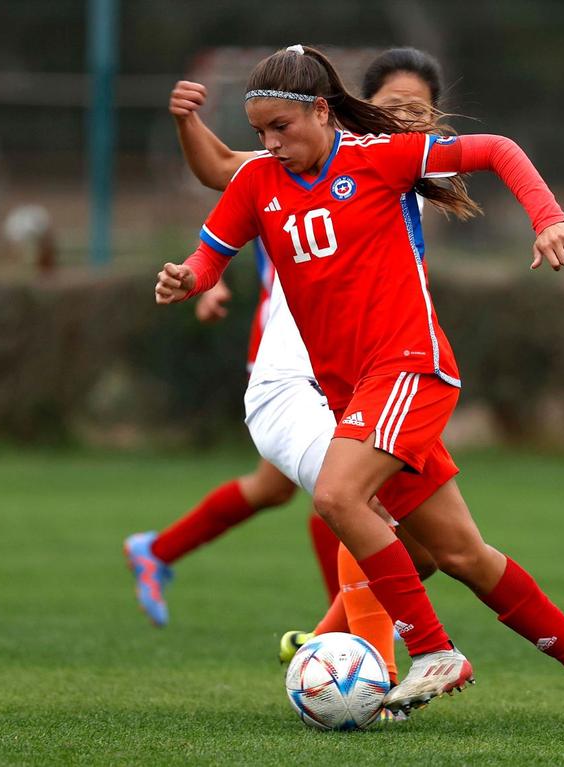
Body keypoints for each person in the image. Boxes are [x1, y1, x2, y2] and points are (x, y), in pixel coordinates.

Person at [154, 45, 564, 726]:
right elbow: (208, 256)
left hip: (409, 365)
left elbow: (498, 150)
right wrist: (187, 278)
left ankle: (432, 649)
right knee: (459, 552)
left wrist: (549, 216)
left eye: (282, 127)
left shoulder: (379, 158)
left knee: (338, 495)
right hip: (353, 391)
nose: (271, 143)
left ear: (322, 111)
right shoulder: (258, 182)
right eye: (260, 132)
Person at [126, 50, 445, 685]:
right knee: (357, 499)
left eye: (420, 109)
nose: (407, 117)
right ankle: (359, 652)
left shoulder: (401, 165)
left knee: (308, 494)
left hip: (370, 359)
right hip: (297, 357)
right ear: (354, 106)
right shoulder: (293, 154)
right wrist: (202, 274)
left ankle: (172, 557)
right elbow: (223, 174)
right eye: (394, 106)